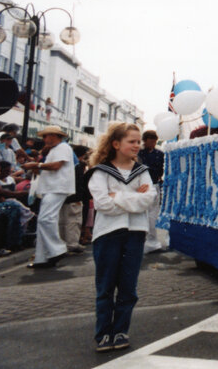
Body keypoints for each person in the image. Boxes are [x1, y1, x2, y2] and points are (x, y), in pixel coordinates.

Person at [86, 122, 157, 352]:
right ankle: (103, 333)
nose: (138, 145)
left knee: (128, 287)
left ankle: (120, 330)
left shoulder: (142, 171)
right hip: (107, 235)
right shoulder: (100, 172)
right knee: (106, 286)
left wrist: (119, 196)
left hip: (135, 234)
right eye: (132, 141)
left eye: (139, 141)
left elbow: (150, 199)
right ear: (116, 144)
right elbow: (102, 204)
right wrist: (133, 197)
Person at [22, 125, 76, 268]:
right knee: (43, 221)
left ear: (55, 135)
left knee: (46, 219)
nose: (44, 139)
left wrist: (37, 164)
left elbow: (56, 166)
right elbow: (49, 169)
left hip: (57, 187)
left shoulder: (63, 147)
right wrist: (36, 166)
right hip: (51, 187)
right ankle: (43, 257)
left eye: (46, 136)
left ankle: (57, 249)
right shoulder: (56, 149)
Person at [137, 130, 165, 253]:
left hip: (154, 184)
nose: (153, 144)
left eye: (154, 142)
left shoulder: (160, 153)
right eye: (150, 142)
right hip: (141, 185)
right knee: (142, 213)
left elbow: (161, 169)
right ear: (145, 141)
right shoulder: (139, 153)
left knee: (152, 214)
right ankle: (143, 240)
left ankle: (152, 240)